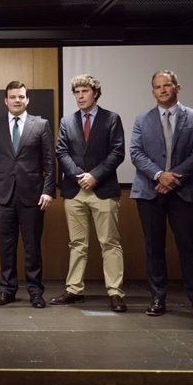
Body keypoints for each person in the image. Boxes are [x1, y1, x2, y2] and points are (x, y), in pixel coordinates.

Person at [130, 70, 193, 319]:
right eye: (157, 86)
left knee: (189, 247)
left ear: (178, 87)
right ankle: (157, 297)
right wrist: (158, 176)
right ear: (152, 91)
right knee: (154, 247)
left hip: (182, 192)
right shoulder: (142, 120)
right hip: (149, 191)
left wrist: (172, 177)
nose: (163, 90)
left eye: (167, 85)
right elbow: (136, 153)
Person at [50, 74, 127, 312]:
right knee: (77, 244)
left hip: (103, 189)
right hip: (75, 191)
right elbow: (61, 152)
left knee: (110, 243)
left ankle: (115, 292)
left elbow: (117, 152)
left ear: (95, 93)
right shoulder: (67, 121)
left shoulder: (111, 119)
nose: (80, 96)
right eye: (77, 92)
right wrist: (79, 177)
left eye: (84, 91)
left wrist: (94, 175)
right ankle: (74, 289)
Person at [0, 80, 55, 308]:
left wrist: (48, 190)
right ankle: (7, 290)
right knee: (6, 246)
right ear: (6, 100)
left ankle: (35, 291)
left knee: (32, 246)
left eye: (21, 97)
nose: (17, 100)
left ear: (27, 99)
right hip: (3, 196)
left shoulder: (41, 125)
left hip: (33, 196)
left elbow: (49, 162)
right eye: (13, 97)